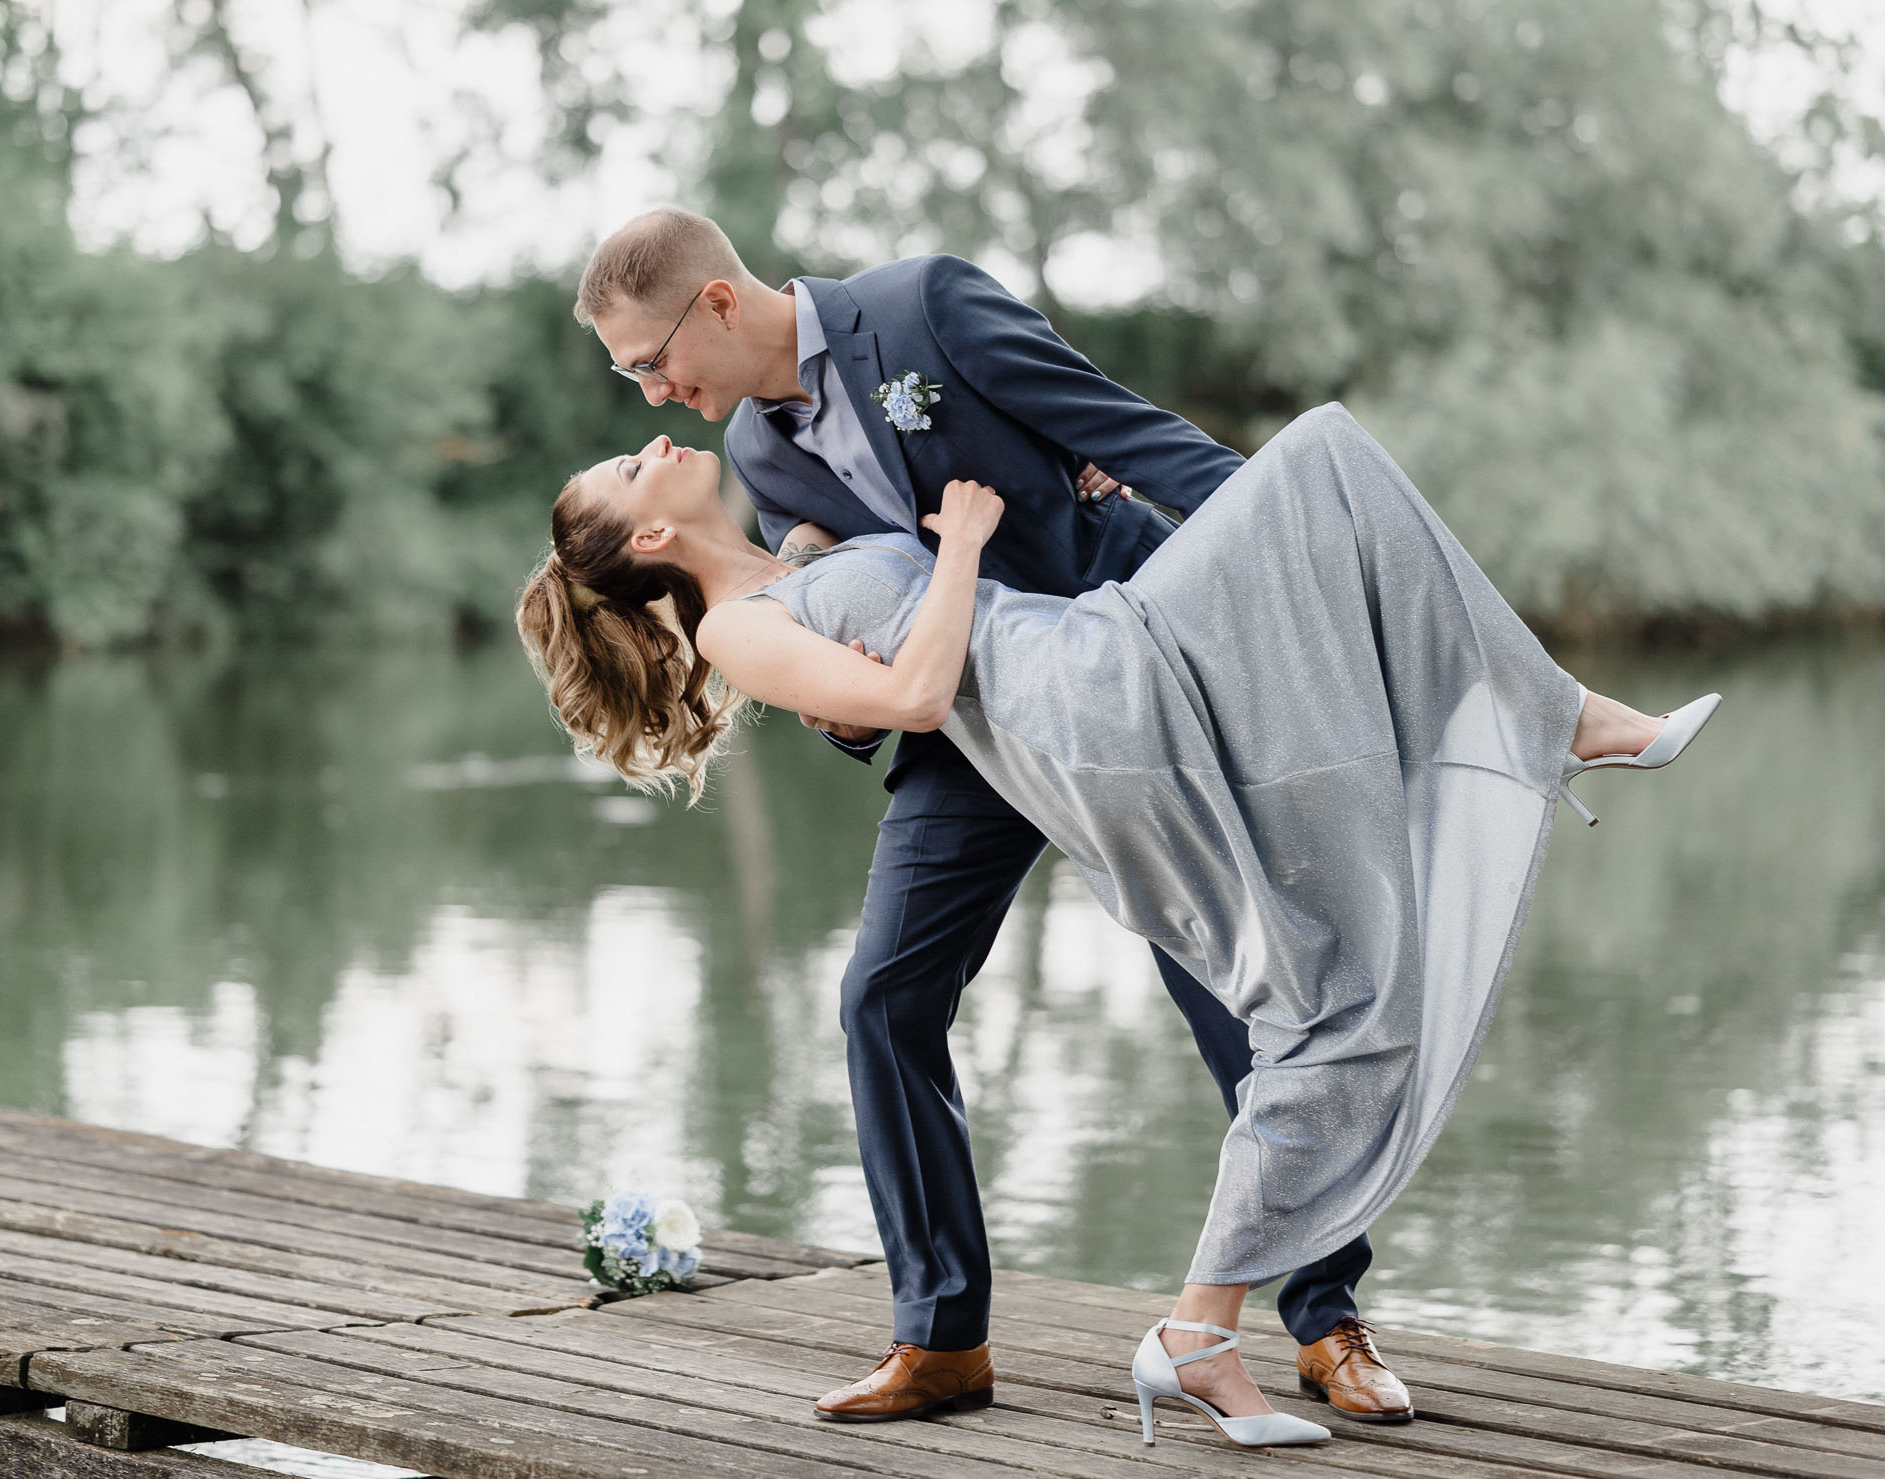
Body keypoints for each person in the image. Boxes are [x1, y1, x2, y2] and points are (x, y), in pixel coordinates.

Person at [515, 416, 1721, 1449]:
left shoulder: (789, 545)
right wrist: (969, 550)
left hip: (1098, 653)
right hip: (1084, 709)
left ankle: (1203, 1332)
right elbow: (914, 699)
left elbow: (891, 586)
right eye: (632, 466)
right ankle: (1551, 717)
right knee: (1319, 470)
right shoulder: (731, 631)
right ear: (647, 542)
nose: (657, 438)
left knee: (1325, 985)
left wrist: (1060, 484)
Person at [574, 208, 1415, 1427]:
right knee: (882, 996)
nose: (652, 391)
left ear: (714, 303)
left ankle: (1325, 1316)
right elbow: (852, 617)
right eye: (629, 378)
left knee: (1236, 987)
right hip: (965, 731)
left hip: (1124, 690)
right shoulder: (757, 452)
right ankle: (941, 1341)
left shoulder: (922, 309)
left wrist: (1281, 561)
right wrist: (845, 717)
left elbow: (1134, 441)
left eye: (650, 359)